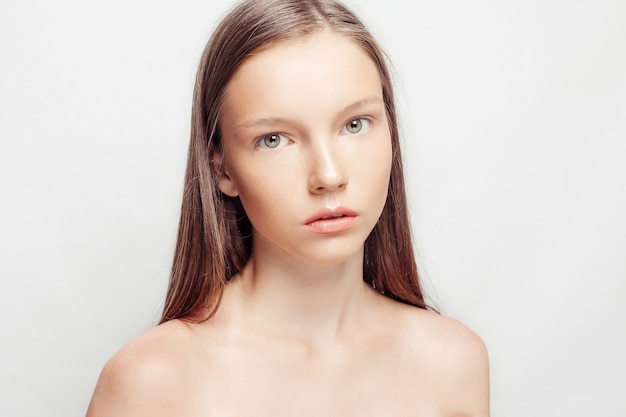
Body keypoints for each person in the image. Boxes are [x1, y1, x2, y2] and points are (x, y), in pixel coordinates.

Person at [86, 0, 489, 415]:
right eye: (274, 139)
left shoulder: (453, 362)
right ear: (221, 167)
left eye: (355, 124)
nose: (329, 176)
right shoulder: (151, 381)